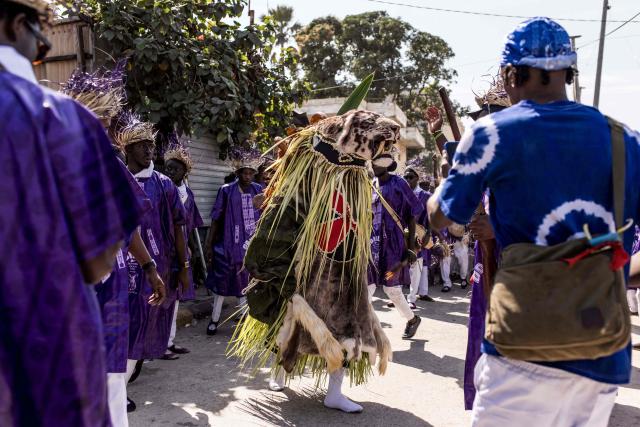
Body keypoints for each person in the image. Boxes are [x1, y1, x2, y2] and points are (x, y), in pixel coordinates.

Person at [428, 17, 640, 426]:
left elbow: (440, 217)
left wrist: (450, 170)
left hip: (522, 345)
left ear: (510, 73)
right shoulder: (625, 140)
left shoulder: (491, 134)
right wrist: (603, 274)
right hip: (601, 352)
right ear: (568, 72)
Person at [0, 1, 145, 425]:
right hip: (45, 356)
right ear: (16, 24)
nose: (42, 46)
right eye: (42, 34)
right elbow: (98, 259)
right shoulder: (65, 121)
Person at [230, 111, 397, 413]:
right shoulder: (304, 186)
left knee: (346, 329)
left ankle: (334, 392)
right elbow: (278, 227)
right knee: (290, 323)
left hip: (344, 273)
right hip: (307, 273)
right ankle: (280, 370)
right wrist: (271, 268)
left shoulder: (357, 184)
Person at [62, 62, 167, 421]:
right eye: (101, 118)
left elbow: (128, 223)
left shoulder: (108, 160)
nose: (107, 127)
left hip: (115, 282)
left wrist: (150, 266)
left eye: (108, 119)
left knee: (112, 376)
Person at [115, 113, 188, 381]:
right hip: (119, 264)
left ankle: (125, 379)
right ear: (127, 149)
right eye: (142, 145)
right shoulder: (115, 178)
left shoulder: (164, 184)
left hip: (154, 266)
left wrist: (184, 266)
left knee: (145, 321)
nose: (148, 150)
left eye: (151, 145)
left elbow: (179, 227)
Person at [204, 148, 263, 335]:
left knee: (245, 283)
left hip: (249, 245)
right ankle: (214, 320)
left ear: (254, 173)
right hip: (227, 245)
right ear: (237, 173)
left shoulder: (258, 190)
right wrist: (209, 244)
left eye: (250, 173)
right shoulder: (226, 191)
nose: (247, 176)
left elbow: (264, 216)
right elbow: (216, 218)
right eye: (243, 172)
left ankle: (246, 323)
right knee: (221, 284)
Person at [368, 163, 423, 339]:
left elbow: (412, 216)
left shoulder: (399, 183)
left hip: (393, 245)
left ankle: (412, 320)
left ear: (387, 164)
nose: (375, 165)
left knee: (391, 289)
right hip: (373, 244)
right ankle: (367, 331)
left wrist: (411, 248)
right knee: (367, 288)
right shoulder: (371, 184)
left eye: (379, 161)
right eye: (373, 161)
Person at [163, 143, 204, 357]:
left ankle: (169, 342)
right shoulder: (161, 189)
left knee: (176, 297)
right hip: (163, 250)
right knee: (162, 296)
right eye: (167, 168)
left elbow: (192, 224)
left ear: (184, 172)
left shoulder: (188, 193)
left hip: (181, 251)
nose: (169, 172)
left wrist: (194, 251)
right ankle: (158, 344)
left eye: (174, 169)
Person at [403, 163, 434, 306]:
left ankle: (411, 298)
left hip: (419, 235)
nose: (407, 180)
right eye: (405, 177)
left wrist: (428, 233)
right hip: (403, 235)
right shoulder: (401, 193)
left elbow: (432, 216)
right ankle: (397, 296)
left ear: (417, 178)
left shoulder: (426, 195)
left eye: (410, 177)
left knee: (416, 265)